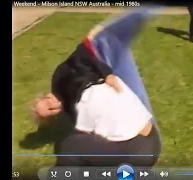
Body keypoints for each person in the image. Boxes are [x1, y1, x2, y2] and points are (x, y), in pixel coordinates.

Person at [31, 7, 162, 166]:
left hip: (140, 146)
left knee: (70, 147)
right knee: (75, 144)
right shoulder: (75, 111)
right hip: (142, 146)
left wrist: (107, 73)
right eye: (50, 112)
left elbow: (83, 54)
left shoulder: (64, 77)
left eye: (47, 103)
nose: (52, 106)